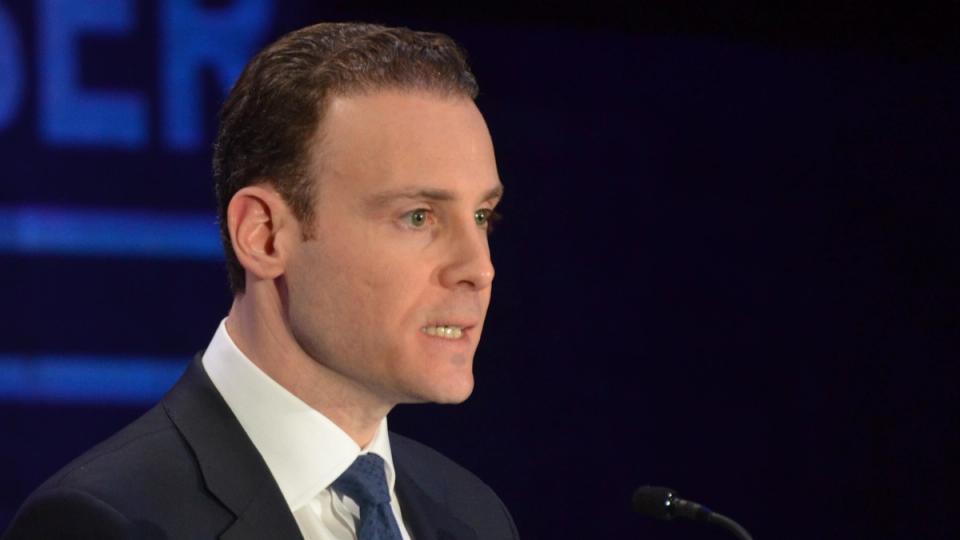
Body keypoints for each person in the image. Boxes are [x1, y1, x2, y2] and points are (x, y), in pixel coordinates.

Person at [3, 22, 518, 540]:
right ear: (264, 235)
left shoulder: (474, 517)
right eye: (418, 217)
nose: (479, 269)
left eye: (482, 217)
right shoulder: (102, 523)